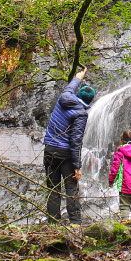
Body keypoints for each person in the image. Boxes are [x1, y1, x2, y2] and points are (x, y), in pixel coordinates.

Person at [42, 67, 95, 225]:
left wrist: (78, 78)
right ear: (89, 101)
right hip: (65, 154)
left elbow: (70, 88)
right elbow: (75, 140)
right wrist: (77, 166)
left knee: (53, 188)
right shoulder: (81, 113)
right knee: (71, 189)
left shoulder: (63, 97)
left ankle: (53, 223)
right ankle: (75, 223)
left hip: (50, 149)